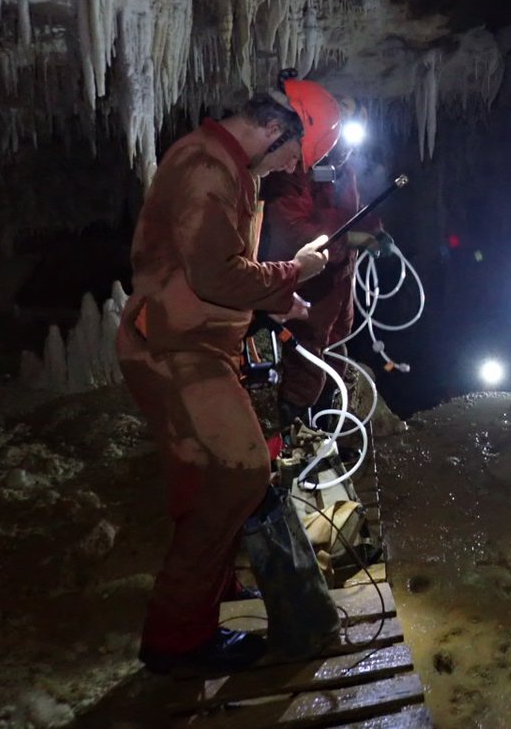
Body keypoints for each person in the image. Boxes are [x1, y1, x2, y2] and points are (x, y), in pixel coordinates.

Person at [116, 70, 343, 676]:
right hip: (175, 350)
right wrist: (293, 273)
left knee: (203, 482)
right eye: (292, 155)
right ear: (272, 128)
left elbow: (216, 269)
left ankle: (207, 595)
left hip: (193, 341)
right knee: (242, 472)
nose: (291, 167)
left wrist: (277, 301)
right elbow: (216, 274)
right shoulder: (207, 170)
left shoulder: (229, 169)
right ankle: (178, 640)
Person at [259, 116, 392, 430]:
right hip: (308, 282)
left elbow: (355, 212)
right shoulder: (290, 172)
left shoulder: (343, 170)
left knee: (335, 349)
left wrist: (375, 230)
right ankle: (295, 433)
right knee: (306, 357)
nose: (342, 149)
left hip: (340, 282)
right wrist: (350, 240)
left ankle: (326, 430)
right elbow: (292, 233)